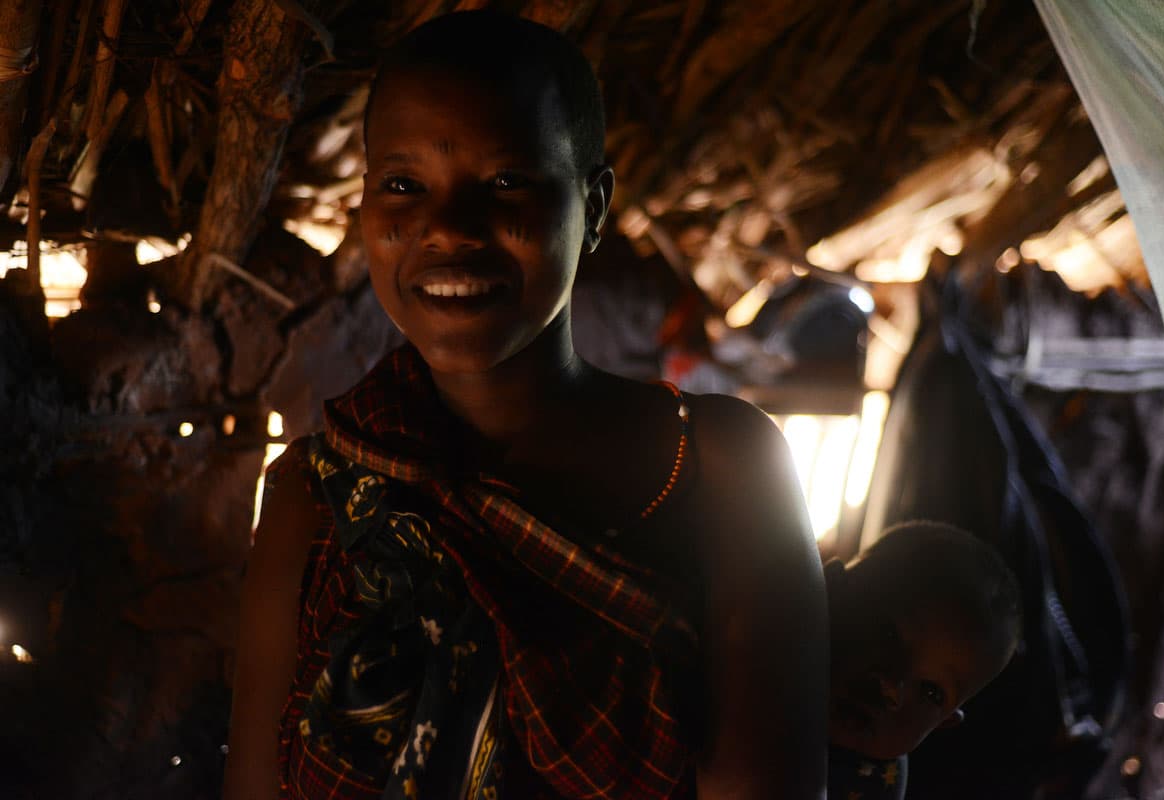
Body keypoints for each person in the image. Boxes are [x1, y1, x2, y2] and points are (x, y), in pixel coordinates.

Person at [223, 11, 827, 800]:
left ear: (596, 206)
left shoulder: (722, 463)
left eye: (507, 181)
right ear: (364, 207)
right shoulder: (315, 490)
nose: (448, 229)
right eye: (402, 185)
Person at [823, 521, 1022, 799]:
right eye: (888, 635)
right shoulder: (763, 641)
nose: (892, 686)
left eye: (931, 692)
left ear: (942, 723)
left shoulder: (879, 783)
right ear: (830, 586)